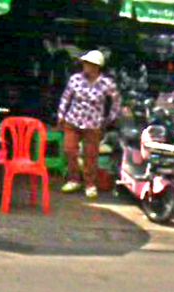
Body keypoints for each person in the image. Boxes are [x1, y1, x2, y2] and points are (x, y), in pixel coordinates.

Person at [57, 50, 121, 199]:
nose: (86, 66)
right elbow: (66, 98)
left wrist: (110, 118)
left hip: (93, 124)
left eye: (90, 64)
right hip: (73, 120)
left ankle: (90, 184)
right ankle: (74, 179)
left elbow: (116, 101)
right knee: (69, 149)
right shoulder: (75, 79)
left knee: (91, 155)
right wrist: (61, 116)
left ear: (97, 67)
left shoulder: (107, 83)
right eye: (85, 63)